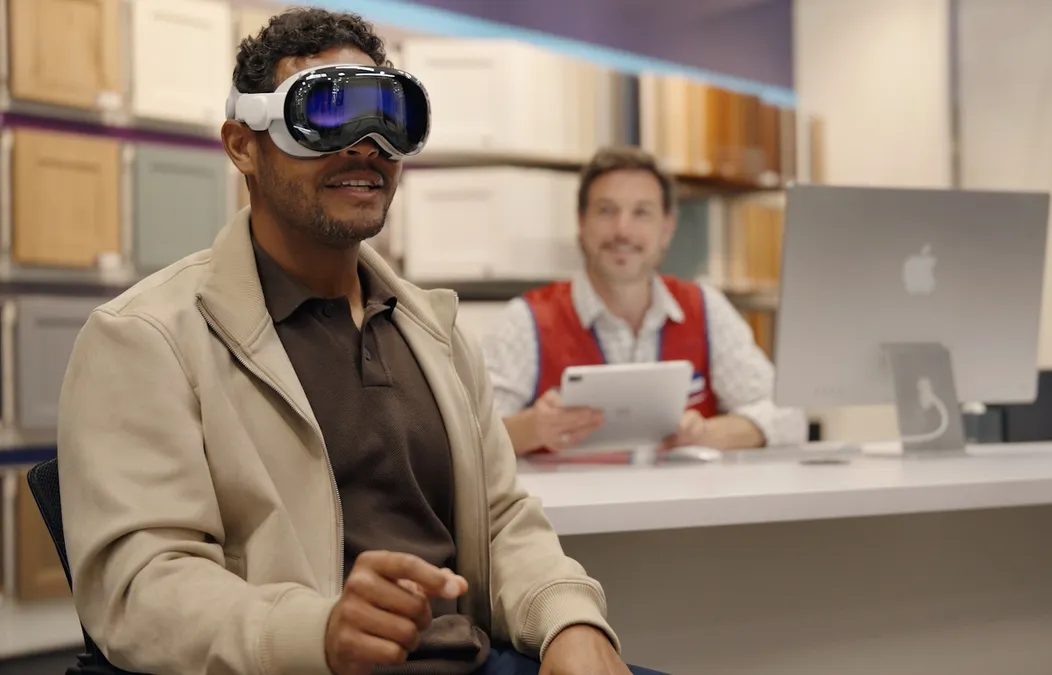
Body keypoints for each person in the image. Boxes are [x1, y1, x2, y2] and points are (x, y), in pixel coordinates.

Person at [56, 8, 664, 675]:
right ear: (242, 145)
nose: (367, 146)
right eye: (324, 116)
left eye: (389, 120)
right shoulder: (147, 338)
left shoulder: (432, 330)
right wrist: (315, 631)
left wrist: (567, 616)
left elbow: (502, 519)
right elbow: (142, 588)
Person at [482, 146, 807, 456]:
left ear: (667, 228)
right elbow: (471, 438)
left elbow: (788, 417)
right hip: (566, 513)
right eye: (607, 211)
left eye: (642, 213)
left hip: (688, 510)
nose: (623, 230)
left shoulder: (706, 308)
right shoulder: (525, 320)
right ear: (581, 223)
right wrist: (532, 429)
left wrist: (710, 434)